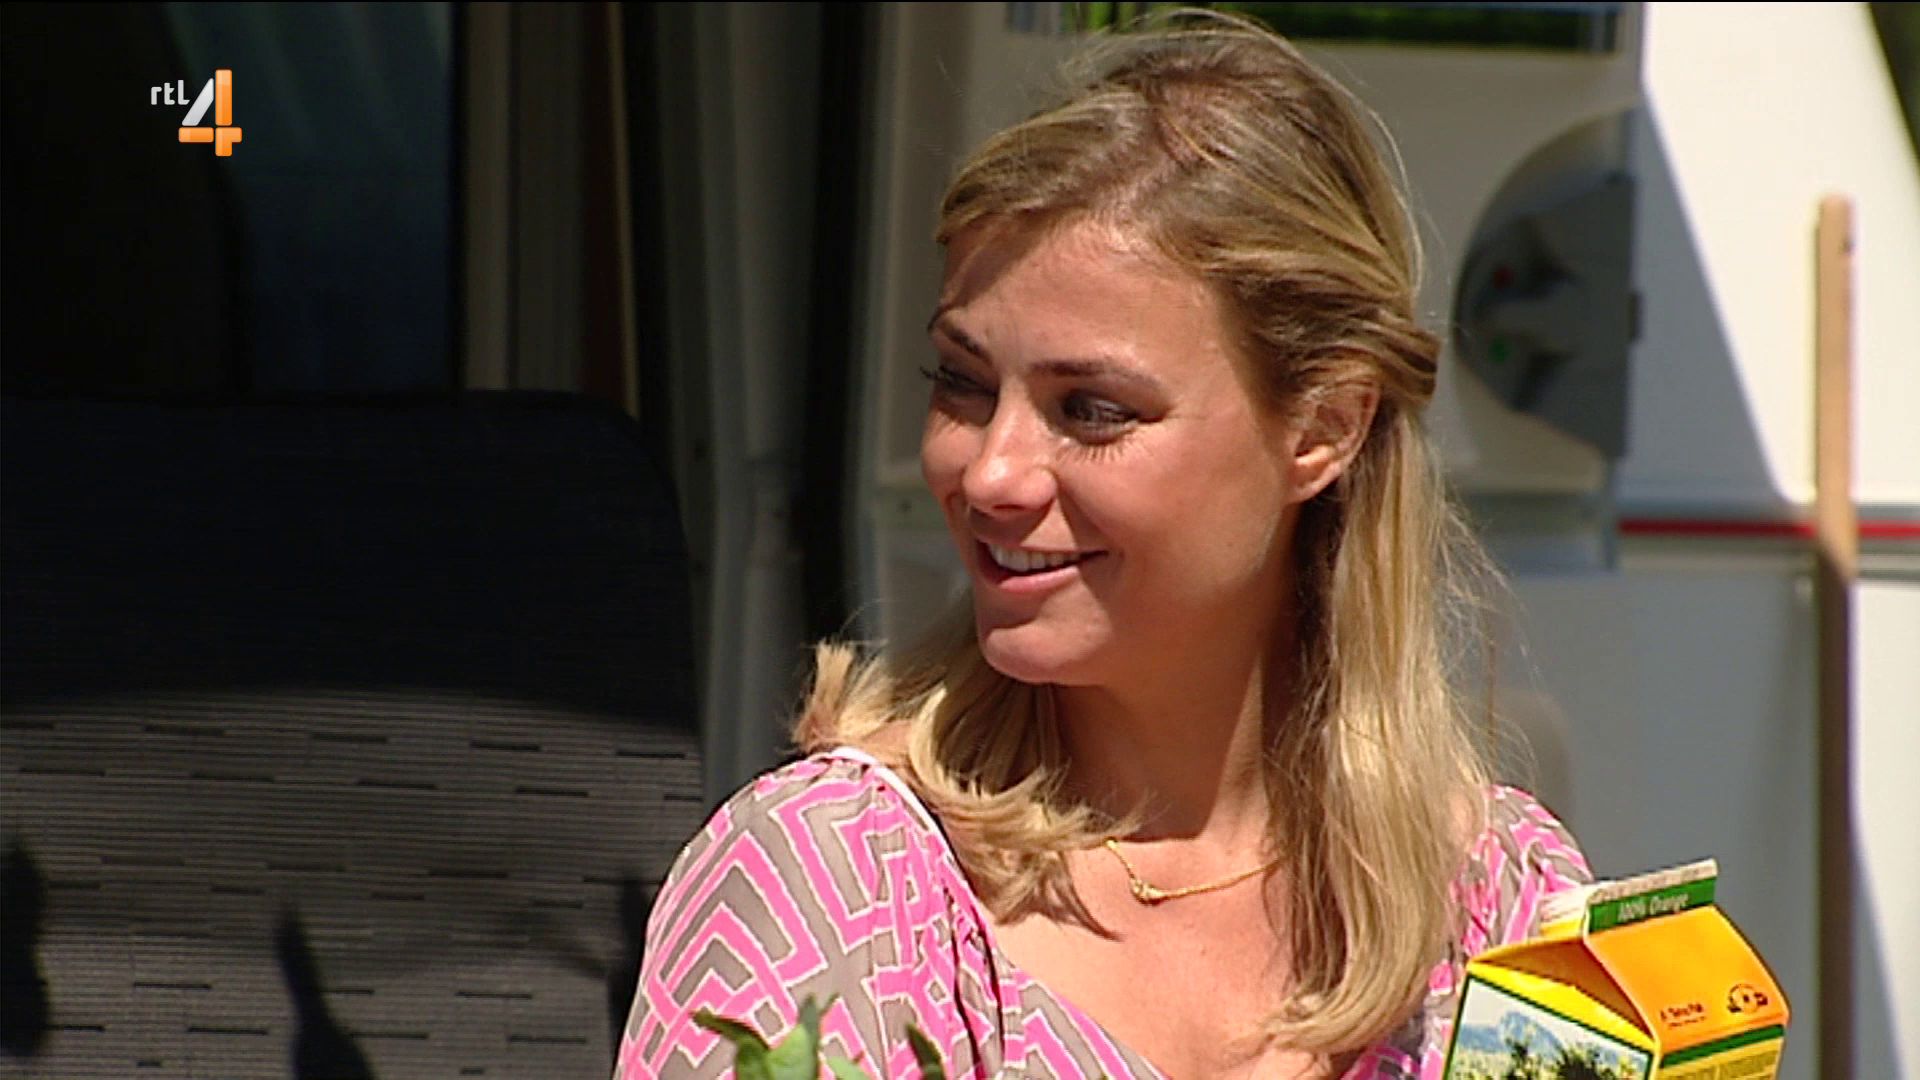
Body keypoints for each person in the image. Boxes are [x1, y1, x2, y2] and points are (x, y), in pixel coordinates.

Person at [616, 11, 1588, 1079]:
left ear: (1322, 429)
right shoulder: (837, 883)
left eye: (1092, 409)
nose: (991, 471)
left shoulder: (1500, 901)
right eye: (962, 383)